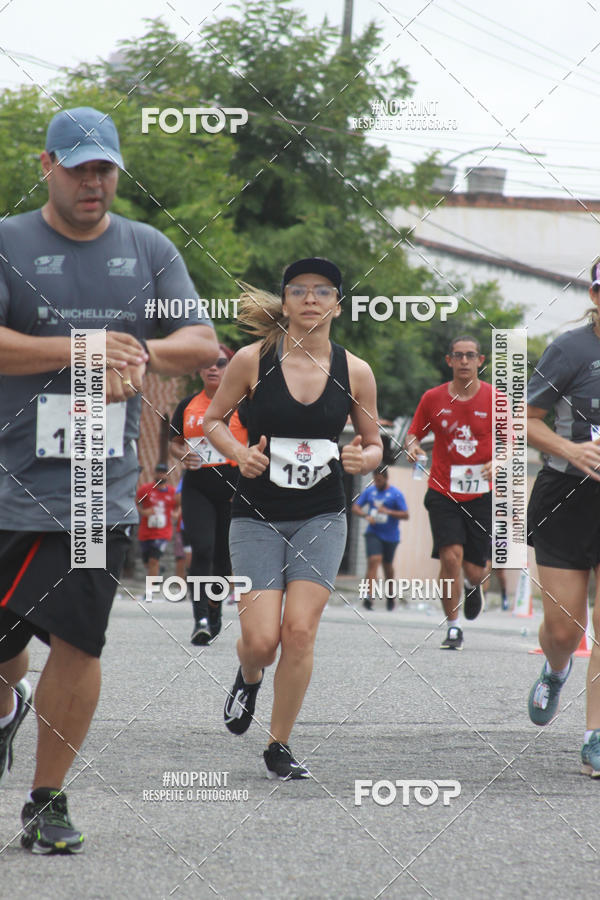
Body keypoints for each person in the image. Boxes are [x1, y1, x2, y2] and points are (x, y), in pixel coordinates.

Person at [0, 106, 217, 853]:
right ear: (47, 166)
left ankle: (46, 799)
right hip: (7, 477)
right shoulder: (8, 242)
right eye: (80, 167)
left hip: (98, 486)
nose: (94, 182)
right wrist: (81, 348)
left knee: (79, 643)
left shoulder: (148, 249)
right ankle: (7, 707)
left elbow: (198, 337)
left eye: (106, 170)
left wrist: (142, 358)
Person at [203, 258, 382, 779]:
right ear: (285, 301)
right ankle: (249, 672)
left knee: (299, 632)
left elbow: (375, 445)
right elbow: (213, 420)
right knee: (262, 639)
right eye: (298, 290)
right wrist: (239, 452)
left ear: (337, 305)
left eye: (322, 291)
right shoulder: (251, 360)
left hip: (322, 514)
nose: (310, 299)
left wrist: (361, 459)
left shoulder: (357, 372)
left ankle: (278, 744)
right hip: (256, 515)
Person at [526, 262, 600, 776]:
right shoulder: (570, 349)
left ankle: (595, 734)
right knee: (564, 627)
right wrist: (571, 450)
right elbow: (525, 418)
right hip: (566, 496)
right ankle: (556, 669)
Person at [405, 336, 493, 651]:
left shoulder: (495, 400)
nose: (465, 361)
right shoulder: (433, 398)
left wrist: (498, 461)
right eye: (459, 356)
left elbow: (511, 444)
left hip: (481, 493)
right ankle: (453, 627)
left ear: (481, 360)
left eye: (471, 356)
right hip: (443, 490)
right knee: (450, 557)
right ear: (449, 361)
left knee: (474, 568)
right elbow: (413, 433)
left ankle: (472, 585)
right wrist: (413, 446)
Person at [170, 344, 248, 644]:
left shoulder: (245, 406)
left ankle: (214, 608)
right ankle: (200, 618)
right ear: (199, 369)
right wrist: (181, 454)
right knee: (201, 548)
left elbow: (257, 444)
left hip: (233, 488)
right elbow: (174, 443)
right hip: (197, 486)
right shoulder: (188, 405)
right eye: (206, 363)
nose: (213, 368)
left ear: (231, 367)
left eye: (220, 363)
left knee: (224, 559)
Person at [351, 466, 409, 611]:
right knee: (373, 561)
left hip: (390, 536)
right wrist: (366, 515)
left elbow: (405, 514)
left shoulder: (395, 494)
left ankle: (390, 595)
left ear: (386, 478)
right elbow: (355, 507)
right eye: (375, 480)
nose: (377, 482)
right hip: (373, 532)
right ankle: (369, 596)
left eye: (379, 480)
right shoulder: (370, 491)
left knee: (387, 566)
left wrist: (388, 511)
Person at [136, 463, 180, 600]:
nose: (161, 475)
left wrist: (176, 514)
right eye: (158, 472)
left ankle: (150, 591)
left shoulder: (172, 492)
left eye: (163, 473)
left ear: (167, 475)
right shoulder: (145, 490)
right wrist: (144, 511)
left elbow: (179, 506)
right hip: (146, 530)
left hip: (163, 532)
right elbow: (136, 503)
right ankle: (158, 573)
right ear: (155, 474)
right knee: (147, 561)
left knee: (153, 559)